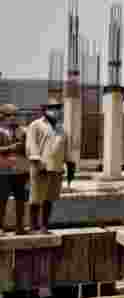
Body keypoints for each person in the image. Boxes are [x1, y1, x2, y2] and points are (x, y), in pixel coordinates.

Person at [25, 96, 70, 233]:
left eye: (58, 108)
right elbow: (31, 146)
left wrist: (69, 163)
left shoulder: (61, 128)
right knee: (36, 198)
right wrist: (38, 163)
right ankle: (33, 226)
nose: (56, 111)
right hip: (41, 168)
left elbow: (65, 148)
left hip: (56, 168)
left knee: (49, 199)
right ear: (44, 110)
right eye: (52, 108)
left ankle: (44, 226)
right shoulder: (36, 125)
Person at [0, 104, 29, 235]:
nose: (13, 118)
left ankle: (19, 227)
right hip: (3, 171)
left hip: (20, 171)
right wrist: (11, 148)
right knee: (2, 199)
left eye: (15, 115)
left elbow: (30, 149)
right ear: (3, 116)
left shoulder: (23, 131)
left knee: (20, 200)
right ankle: (0, 227)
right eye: (10, 115)